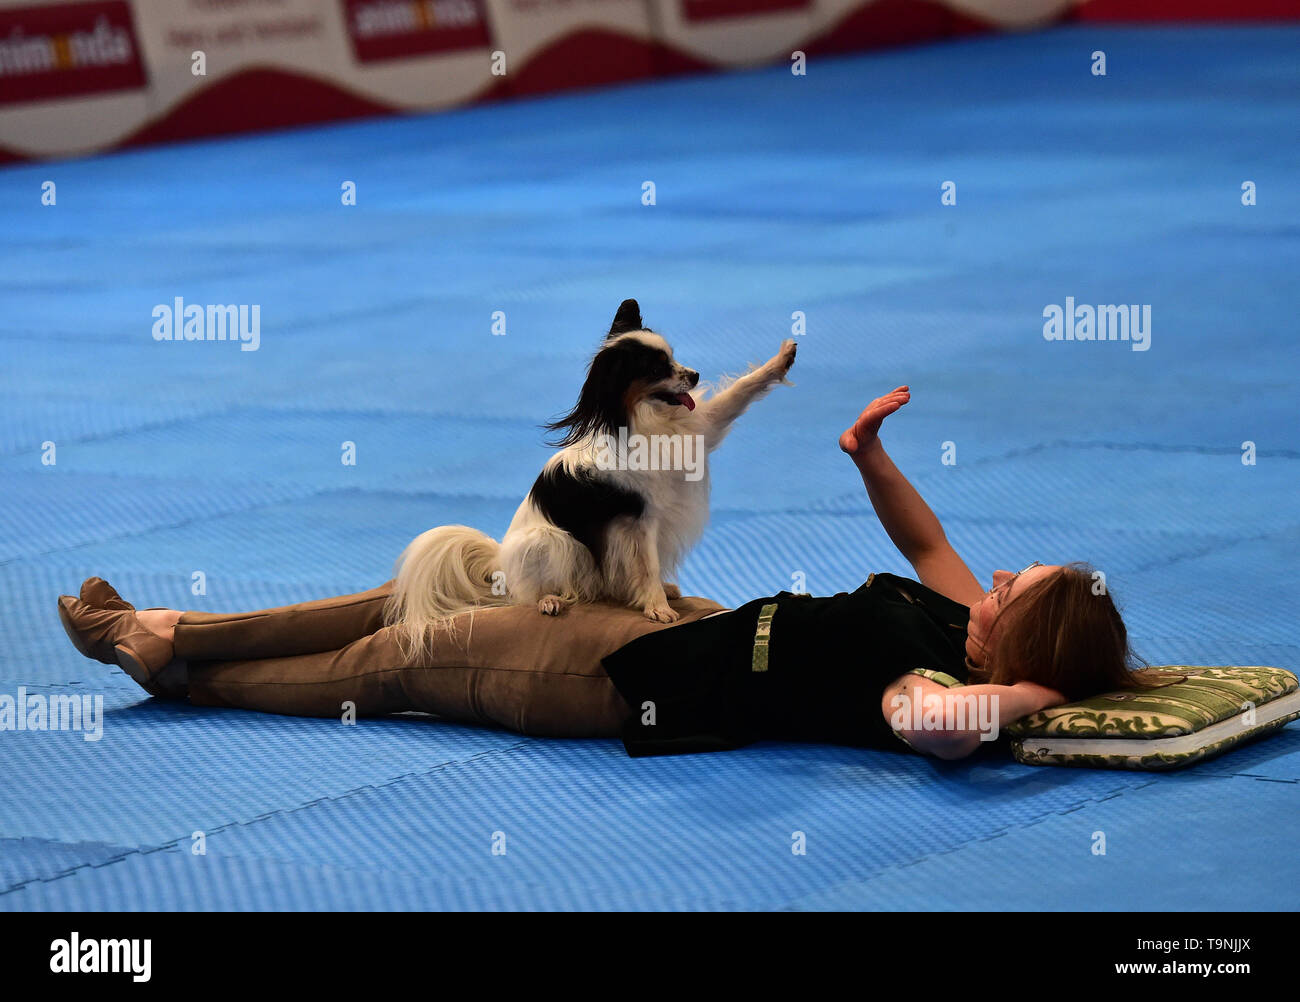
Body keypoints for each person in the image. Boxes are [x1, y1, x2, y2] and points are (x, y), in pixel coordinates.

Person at [56, 386, 1171, 761]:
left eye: (1015, 588)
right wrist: (869, 458)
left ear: (1013, 650)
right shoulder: (949, 615)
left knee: (403, 656)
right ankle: (179, 627)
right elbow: (926, 545)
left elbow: (946, 727)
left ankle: (169, 665)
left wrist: (1034, 702)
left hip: (617, 677)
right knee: (428, 591)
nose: (1000, 573)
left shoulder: (925, 690)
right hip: (682, 620)